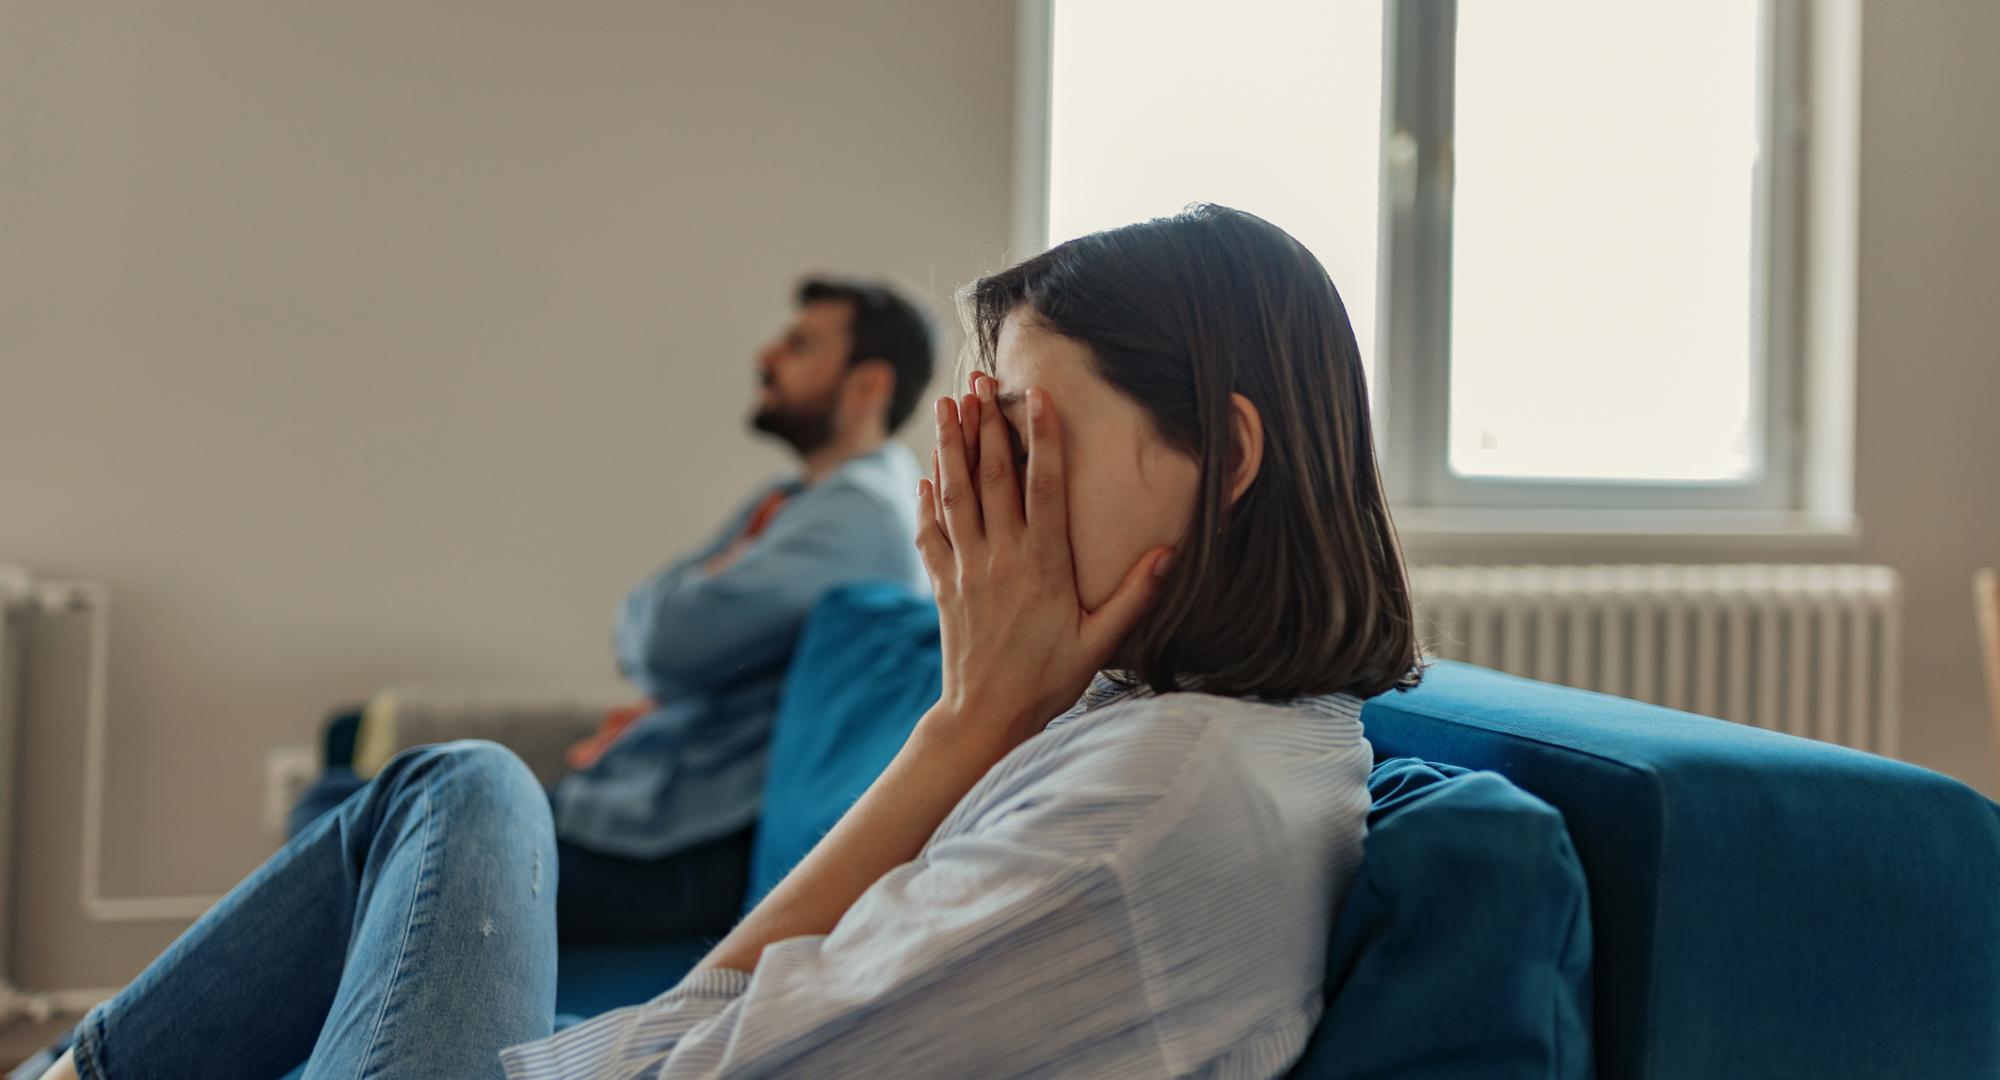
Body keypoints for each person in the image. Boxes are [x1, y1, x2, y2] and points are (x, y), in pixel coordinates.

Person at [33, 205, 1420, 1080]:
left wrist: (968, 726)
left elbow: (682, 1048)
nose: (980, 494)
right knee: (436, 799)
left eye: (1023, 439)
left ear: (1223, 454)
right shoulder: (1186, 732)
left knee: (455, 790)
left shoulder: (1151, 804)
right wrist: (975, 722)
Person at [282, 277, 935, 942]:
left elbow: (662, 641)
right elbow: (646, 623)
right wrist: (679, 613)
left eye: (800, 345)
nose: (765, 356)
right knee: (342, 802)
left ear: (867, 386)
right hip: (644, 815)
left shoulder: (861, 519)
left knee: (338, 817)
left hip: (680, 848)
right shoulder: (794, 500)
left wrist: (684, 609)